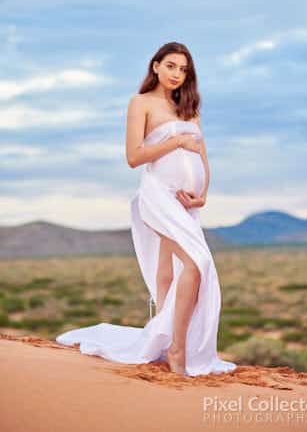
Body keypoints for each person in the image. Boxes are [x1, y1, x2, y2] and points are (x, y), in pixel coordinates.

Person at [56, 41, 237, 377]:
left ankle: (162, 336)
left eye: (183, 70)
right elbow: (134, 157)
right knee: (197, 264)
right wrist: (176, 141)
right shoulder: (140, 103)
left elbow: (202, 155)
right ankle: (177, 348)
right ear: (156, 66)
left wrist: (204, 193)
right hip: (158, 196)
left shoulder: (189, 108)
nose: (177, 74)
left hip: (187, 204)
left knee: (169, 267)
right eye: (171, 66)